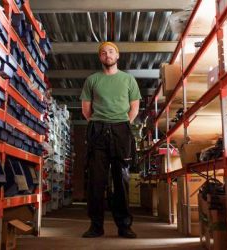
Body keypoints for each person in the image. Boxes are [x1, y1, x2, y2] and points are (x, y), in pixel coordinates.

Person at [80, 41, 141, 238]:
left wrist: (122, 123)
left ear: (117, 56)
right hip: (97, 130)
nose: (108, 54)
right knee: (96, 181)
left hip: (121, 130)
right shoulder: (92, 80)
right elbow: (86, 109)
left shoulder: (128, 80)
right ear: (100, 57)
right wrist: (98, 122)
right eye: (104, 52)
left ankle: (124, 226)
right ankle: (96, 226)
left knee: (121, 179)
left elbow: (134, 107)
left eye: (111, 51)